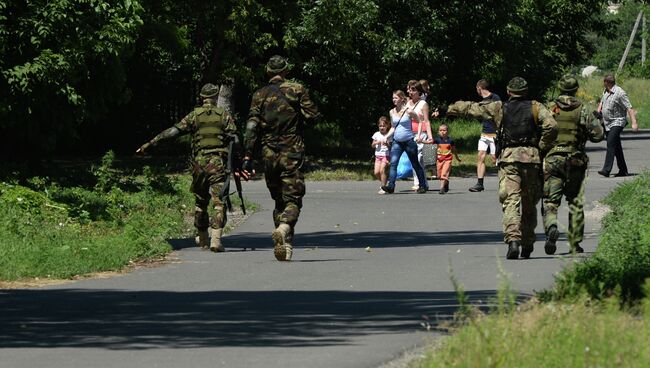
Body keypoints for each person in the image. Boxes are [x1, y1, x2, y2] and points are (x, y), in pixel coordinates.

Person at [444, 77, 558, 259]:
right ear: (526, 91)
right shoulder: (537, 107)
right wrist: (541, 146)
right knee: (529, 204)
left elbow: (474, 108)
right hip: (532, 159)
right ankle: (527, 243)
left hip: (509, 160)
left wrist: (450, 108)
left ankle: (513, 240)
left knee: (511, 200)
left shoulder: (499, 107)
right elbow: (551, 126)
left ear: (508, 92)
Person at [136, 83, 237, 253]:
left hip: (199, 165)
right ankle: (216, 240)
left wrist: (150, 143)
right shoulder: (224, 116)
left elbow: (173, 132)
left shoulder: (194, 116)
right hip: (217, 164)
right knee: (219, 203)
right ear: (215, 97)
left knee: (200, 202)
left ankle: (203, 238)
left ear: (202, 97)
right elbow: (234, 137)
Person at [241, 55, 320, 262]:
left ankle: (286, 246)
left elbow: (251, 127)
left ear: (268, 72)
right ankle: (284, 227)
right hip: (291, 150)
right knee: (293, 200)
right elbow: (313, 116)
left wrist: (247, 155)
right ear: (285, 71)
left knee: (278, 200)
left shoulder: (259, 94)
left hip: (268, 153)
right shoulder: (297, 89)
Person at [543, 75, 604, 254]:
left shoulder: (549, 108)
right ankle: (574, 243)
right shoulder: (583, 109)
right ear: (576, 90)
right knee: (575, 203)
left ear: (560, 88)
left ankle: (551, 227)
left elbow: (540, 131)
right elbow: (598, 135)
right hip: (575, 161)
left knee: (550, 201)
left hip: (553, 160)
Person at [380, 90, 428, 194]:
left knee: (415, 163)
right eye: (393, 98)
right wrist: (387, 136)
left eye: (396, 98)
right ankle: (391, 186)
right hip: (397, 142)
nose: (394, 100)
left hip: (409, 141)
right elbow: (393, 127)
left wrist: (418, 135)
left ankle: (422, 185)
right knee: (393, 164)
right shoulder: (391, 112)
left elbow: (420, 121)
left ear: (402, 99)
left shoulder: (409, 111)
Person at [597, 74, 639, 177]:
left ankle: (606, 170)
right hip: (607, 123)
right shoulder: (605, 91)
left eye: (604, 82)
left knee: (610, 142)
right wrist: (599, 111)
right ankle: (623, 170)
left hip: (618, 121)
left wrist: (634, 122)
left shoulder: (620, 93)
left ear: (606, 83)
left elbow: (629, 108)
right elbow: (602, 102)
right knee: (616, 147)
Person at [469, 79, 501, 192]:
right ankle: (479, 183)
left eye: (476, 89)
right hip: (484, 133)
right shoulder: (481, 102)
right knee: (480, 156)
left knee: (495, 158)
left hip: (494, 133)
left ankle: (505, 182)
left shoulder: (495, 98)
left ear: (479, 88)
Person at [407, 80, 434, 190]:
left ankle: (420, 182)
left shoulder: (423, 104)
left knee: (419, 159)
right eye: (409, 89)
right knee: (414, 159)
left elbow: (426, 121)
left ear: (418, 92)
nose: (410, 92)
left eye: (413, 90)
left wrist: (430, 136)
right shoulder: (407, 103)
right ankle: (421, 182)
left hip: (421, 133)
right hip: (409, 133)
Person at [433, 123, 461, 195]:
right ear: (438, 132)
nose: (442, 132)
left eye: (444, 130)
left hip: (448, 159)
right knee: (439, 175)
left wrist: (457, 158)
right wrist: (421, 141)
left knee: (444, 173)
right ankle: (446, 182)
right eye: (440, 130)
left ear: (447, 131)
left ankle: (442, 188)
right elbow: (429, 143)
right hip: (439, 160)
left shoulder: (450, 141)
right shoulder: (437, 140)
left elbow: (454, 150)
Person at [372, 116, 392, 194]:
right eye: (380, 126)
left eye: (383, 126)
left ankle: (383, 187)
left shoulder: (389, 134)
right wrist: (376, 142)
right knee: (376, 172)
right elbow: (372, 145)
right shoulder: (376, 134)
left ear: (387, 126)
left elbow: (391, 146)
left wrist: (387, 144)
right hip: (378, 156)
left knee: (382, 170)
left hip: (386, 155)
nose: (382, 127)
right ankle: (385, 182)